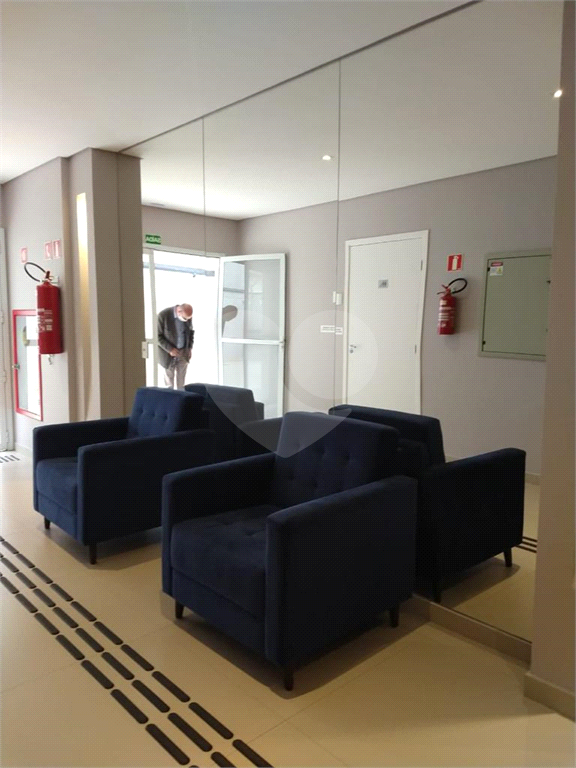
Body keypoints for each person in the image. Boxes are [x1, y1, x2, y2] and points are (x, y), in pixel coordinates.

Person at [157, 303, 194, 389]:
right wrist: (170, 349)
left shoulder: (187, 316)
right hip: (167, 354)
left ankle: (181, 396)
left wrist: (189, 348)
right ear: (179, 311)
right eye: (185, 318)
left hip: (183, 352)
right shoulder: (163, 315)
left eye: (189, 318)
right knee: (169, 384)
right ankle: (170, 397)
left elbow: (191, 332)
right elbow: (157, 336)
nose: (187, 320)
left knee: (181, 382)